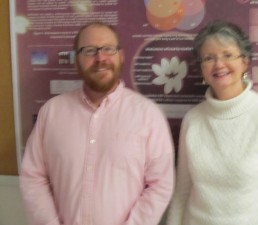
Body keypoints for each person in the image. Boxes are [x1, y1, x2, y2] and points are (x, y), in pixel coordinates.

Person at [19, 21, 175, 225]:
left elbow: (160, 185)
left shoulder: (148, 115)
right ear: (77, 61)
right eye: (89, 50)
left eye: (108, 49)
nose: (100, 58)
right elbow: (33, 177)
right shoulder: (52, 112)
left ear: (121, 56)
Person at [166, 20, 258, 225]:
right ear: (202, 69)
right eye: (209, 58)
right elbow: (182, 192)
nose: (219, 64)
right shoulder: (193, 120)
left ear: (245, 62)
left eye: (228, 55)